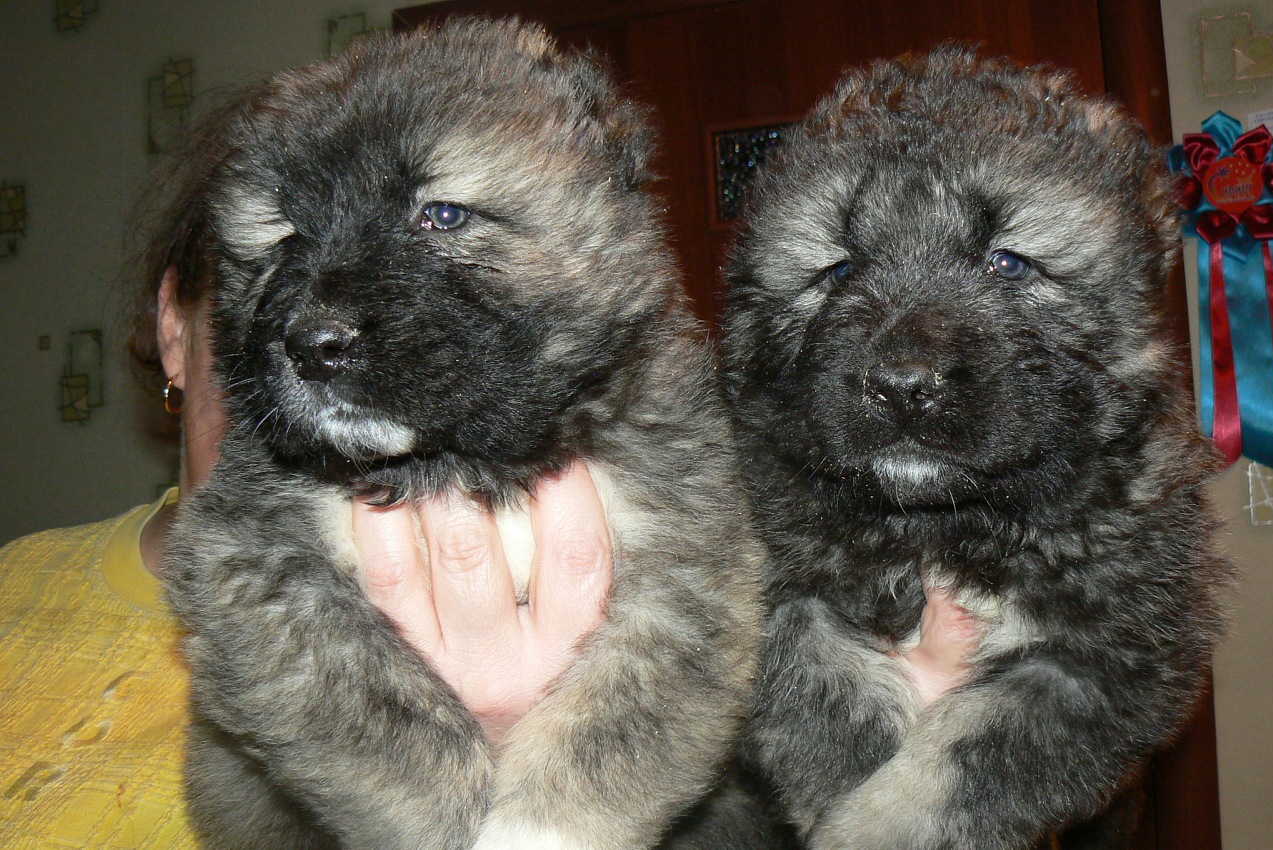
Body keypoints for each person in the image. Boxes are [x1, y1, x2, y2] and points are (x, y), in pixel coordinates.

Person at [0, 89, 981, 850]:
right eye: (283, 257)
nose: (332, 334)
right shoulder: (17, 588)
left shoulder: (627, 577)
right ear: (178, 324)